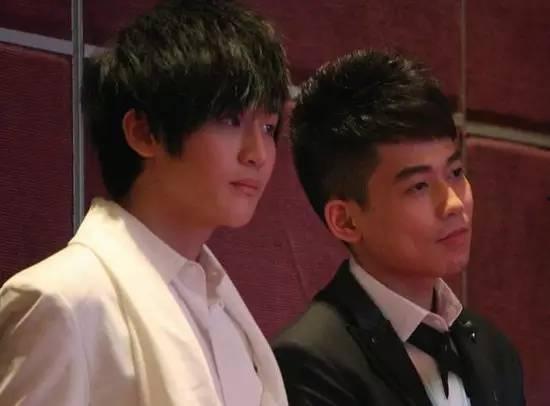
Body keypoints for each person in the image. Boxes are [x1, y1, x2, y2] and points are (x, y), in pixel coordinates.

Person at [0, 1, 290, 405]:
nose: (257, 153)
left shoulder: (219, 302)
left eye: (269, 127)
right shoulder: (62, 301)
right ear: (143, 132)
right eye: (229, 119)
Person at [273, 50, 525, 406]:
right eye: (419, 186)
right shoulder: (310, 362)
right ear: (345, 220)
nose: (454, 203)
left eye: (455, 173)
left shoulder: (493, 350)